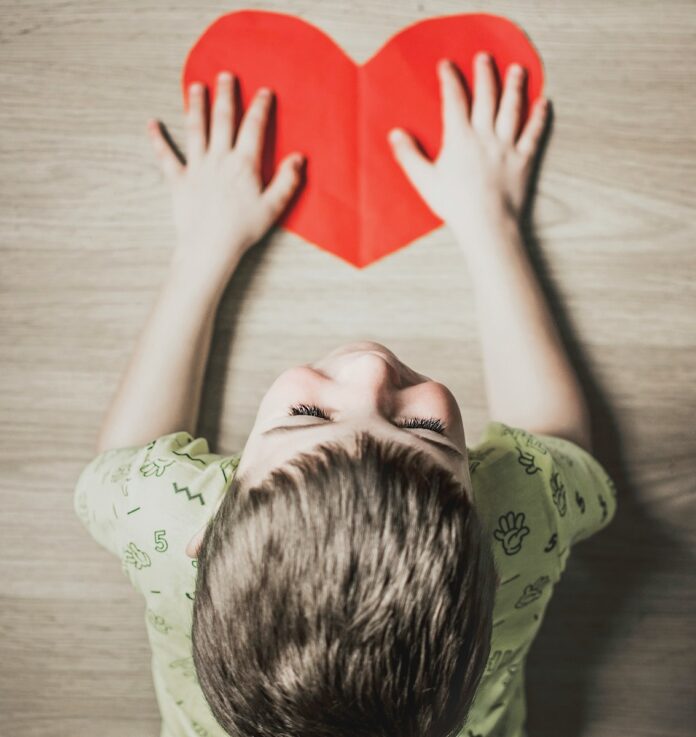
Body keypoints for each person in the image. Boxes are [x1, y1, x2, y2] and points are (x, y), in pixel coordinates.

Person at [73, 51, 617, 737]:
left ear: (205, 532)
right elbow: (561, 446)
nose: (369, 368)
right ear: (485, 520)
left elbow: (120, 461)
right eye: (422, 431)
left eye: (307, 416)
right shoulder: (516, 524)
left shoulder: (164, 519)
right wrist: (492, 223)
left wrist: (202, 248)